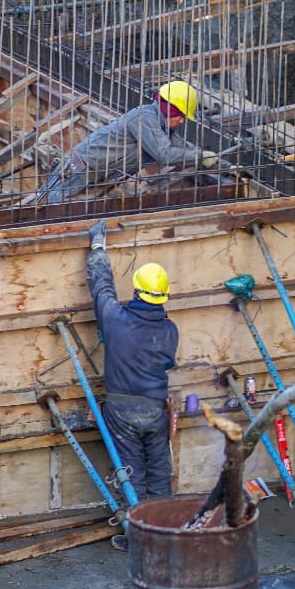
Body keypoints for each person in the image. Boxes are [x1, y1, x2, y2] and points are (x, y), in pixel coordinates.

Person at [85, 221, 179, 547]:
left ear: (137, 290)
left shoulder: (114, 319)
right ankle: (166, 536)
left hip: (122, 410)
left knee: (132, 475)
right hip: (155, 411)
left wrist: (98, 244)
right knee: (159, 475)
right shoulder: (170, 331)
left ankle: (140, 541)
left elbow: (101, 286)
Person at [39, 80, 221, 204]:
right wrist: (199, 156)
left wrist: (214, 158)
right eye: (181, 116)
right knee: (51, 208)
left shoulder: (160, 124)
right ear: (170, 111)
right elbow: (164, 154)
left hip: (98, 172)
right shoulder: (144, 118)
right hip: (81, 169)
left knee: (65, 210)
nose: (182, 121)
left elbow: (180, 146)